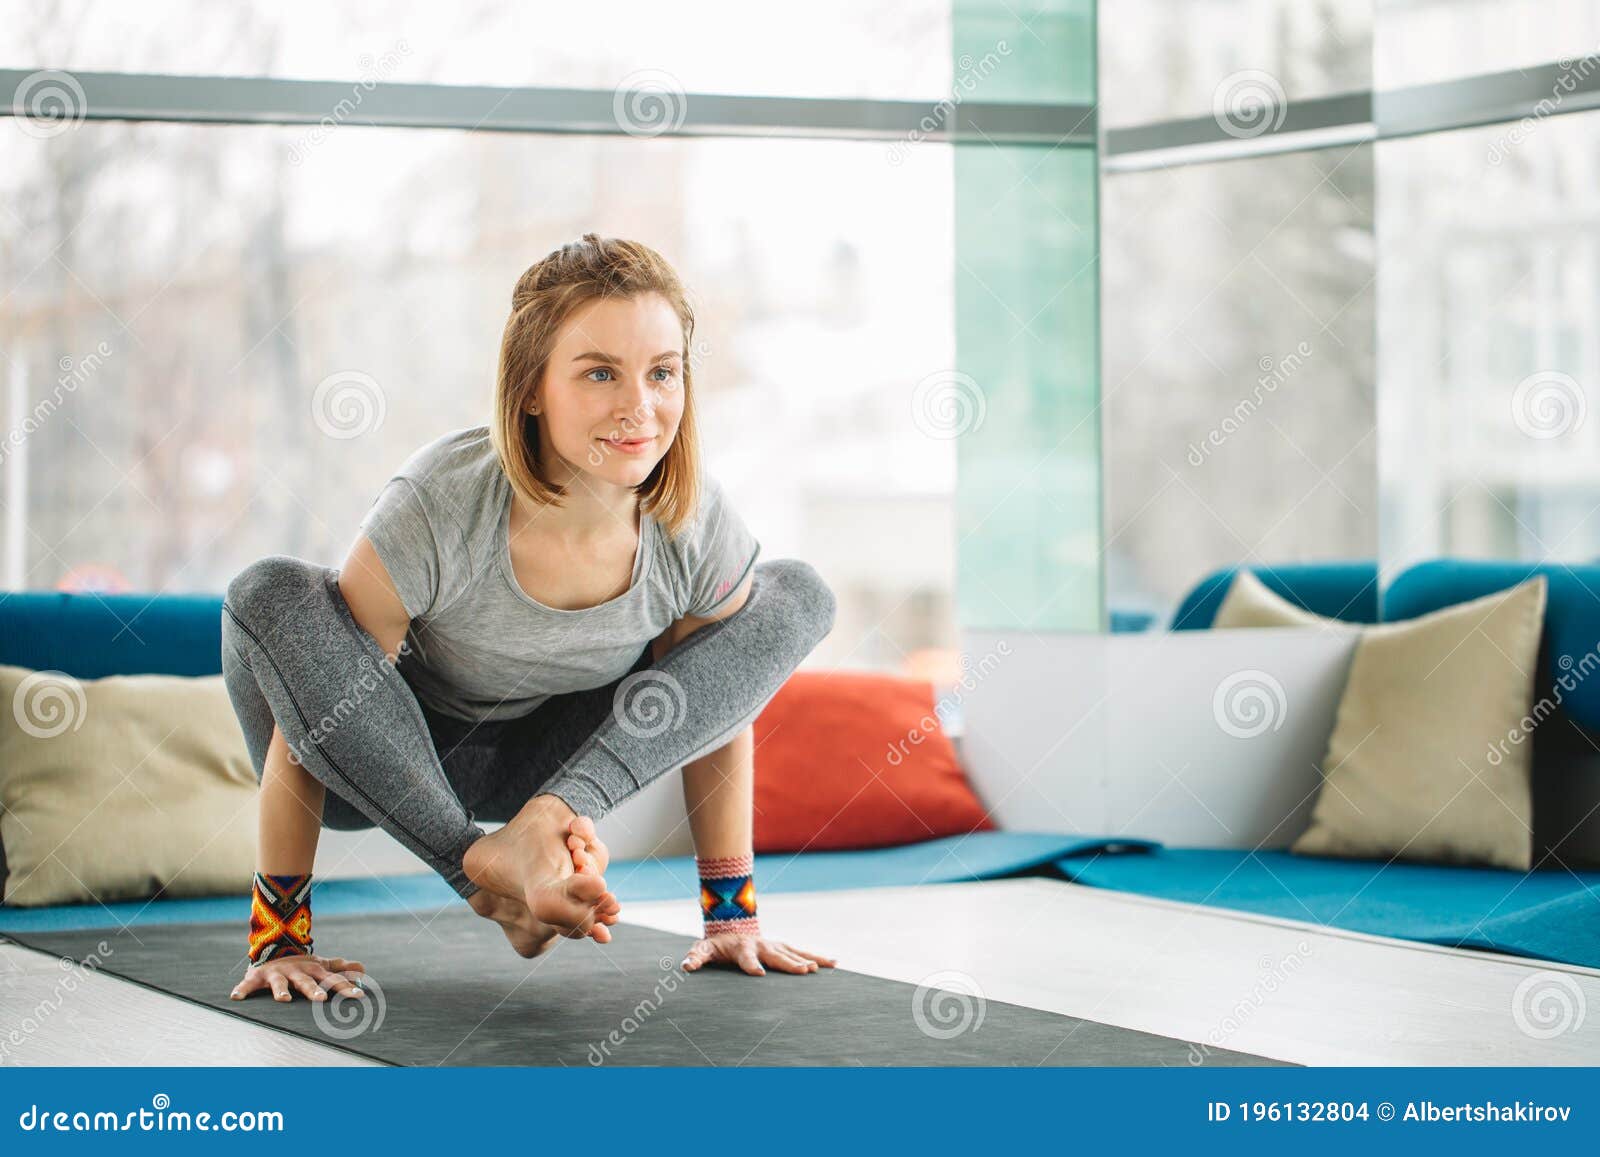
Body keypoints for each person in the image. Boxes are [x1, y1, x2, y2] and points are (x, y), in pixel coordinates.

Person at [221, 233, 839, 1005]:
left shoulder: (693, 521)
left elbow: (711, 704)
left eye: (662, 373)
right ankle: (485, 875)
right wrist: (280, 936)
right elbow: (322, 693)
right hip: (387, 767)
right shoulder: (441, 502)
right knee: (271, 591)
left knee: (797, 593)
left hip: (559, 768)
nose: (638, 407)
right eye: (599, 373)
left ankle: (531, 832)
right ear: (531, 388)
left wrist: (730, 917)